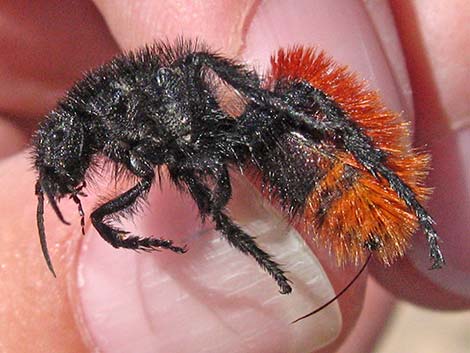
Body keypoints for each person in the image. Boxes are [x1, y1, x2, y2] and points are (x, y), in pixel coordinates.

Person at [0, 0, 468, 352]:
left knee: (293, 99)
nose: (71, 183)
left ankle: (399, 190)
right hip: (251, 148)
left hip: (274, 137)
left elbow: (197, 66)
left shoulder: (143, 107)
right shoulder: (134, 140)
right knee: (204, 198)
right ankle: (269, 260)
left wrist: (257, 100)